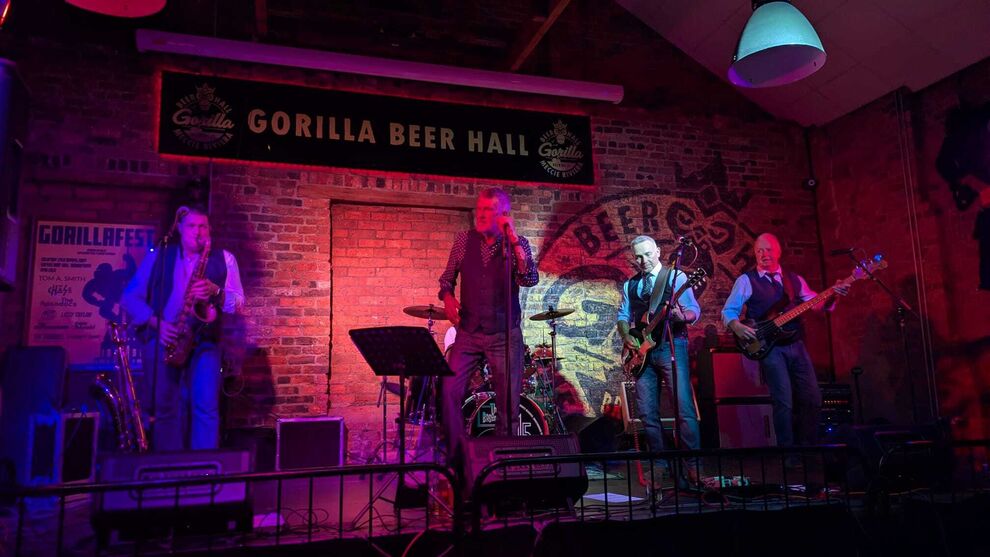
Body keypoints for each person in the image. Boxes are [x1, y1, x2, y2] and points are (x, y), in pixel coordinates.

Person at [122, 205, 245, 451]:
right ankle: (169, 466)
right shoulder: (159, 255)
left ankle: (205, 467)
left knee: (206, 408)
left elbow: (239, 304)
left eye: (203, 226)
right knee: (164, 409)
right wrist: (157, 324)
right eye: (191, 226)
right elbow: (129, 298)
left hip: (204, 342)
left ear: (209, 230)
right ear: (179, 228)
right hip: (165, 338)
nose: (198, 232)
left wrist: (216, 291)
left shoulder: (225, 258)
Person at [438, 188, 539, 464]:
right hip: (469, 332)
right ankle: (459, 458)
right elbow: (446, 279)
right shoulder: (464, 240)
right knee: (448, 391)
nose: (480, 215)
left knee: (508, 403)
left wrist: (514, 241)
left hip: (504, 334)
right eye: (479, 209)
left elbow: (529, 279)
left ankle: (503, 462)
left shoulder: (517, 244)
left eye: (487, 210)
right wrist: (447, 297)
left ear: (503, 215)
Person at [721, 233, 848, 451]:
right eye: (759, 251)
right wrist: (737, 326)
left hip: (796, 344)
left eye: (768, 250)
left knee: (812, 398)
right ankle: (787, 453)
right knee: (784, 402)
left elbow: (817, 304)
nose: (764, 254)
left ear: (778, 252)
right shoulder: (746, 280)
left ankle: (809, 449)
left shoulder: (794, 280)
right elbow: (728, 311)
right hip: (770, 348)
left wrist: (833, 294)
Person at [616, 235, 702, 484]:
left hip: (671, 346)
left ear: (658, 252)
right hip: (642, 353)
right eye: (638, 256)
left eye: (647, 254)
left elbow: (693, 311)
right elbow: (623, 316)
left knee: (683, 408)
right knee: (646, 412)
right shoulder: (630, 285)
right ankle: (661, 463)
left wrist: (680, 316)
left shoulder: (676, 277)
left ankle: (693, 465)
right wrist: (626, 335)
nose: (643, 260)